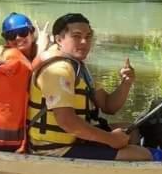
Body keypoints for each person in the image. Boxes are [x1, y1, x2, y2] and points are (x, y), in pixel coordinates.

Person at [27, 13, 153, 161]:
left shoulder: (79, 67)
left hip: (76, 139)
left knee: (131, 130)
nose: (84, 41)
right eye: (76, 36)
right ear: (59, 39)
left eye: (88, 36)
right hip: (54, 148)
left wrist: (126, 83)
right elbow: (66, 121)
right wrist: (110, 139)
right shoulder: (58, 70)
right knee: (141, 155)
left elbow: (108, 106)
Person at [0, 13, 44, 151]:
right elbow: (29, 72)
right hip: (8, 141)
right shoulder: (8, 61)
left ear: (32, 33)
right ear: (7, 41)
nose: (18, 38)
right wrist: (44, 52)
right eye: (11, 35)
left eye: (22, 32)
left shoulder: (29, 56)